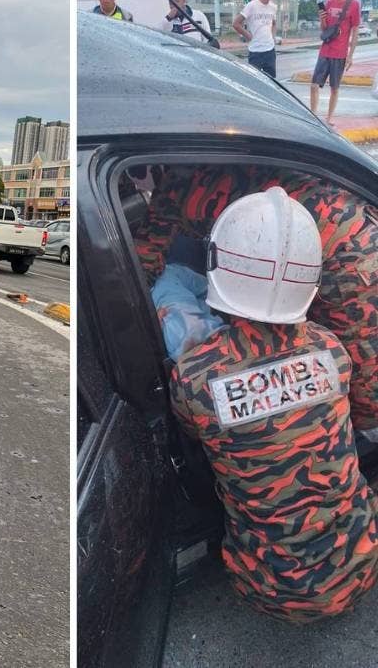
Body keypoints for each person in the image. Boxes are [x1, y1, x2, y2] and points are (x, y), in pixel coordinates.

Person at [156, 188, 378, 623]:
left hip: (267, 590)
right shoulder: (332, 349)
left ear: (219, 267)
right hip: (363, 567)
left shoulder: (195, 375)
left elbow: (190, 435)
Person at [133, 164, 378, 438]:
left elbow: (144, 259)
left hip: (345, 247)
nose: (137, 184)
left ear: (157, 168)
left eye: (137, 175)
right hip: (320, 232)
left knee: (363, 362)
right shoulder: (330, 349)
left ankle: (366, 433)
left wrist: (135, 307)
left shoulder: (194, 381)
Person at [311, 0, 361, 124]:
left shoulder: (354, 4)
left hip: (340, 54)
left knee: (334, 88)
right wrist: (322, 19)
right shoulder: (328, 2)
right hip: (325, 51)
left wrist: (350, 55)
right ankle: (313, 117)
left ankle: (329, 118)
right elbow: (325, 29)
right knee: (314, 86)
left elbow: (355, 32)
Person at [233, 0, 278, 78]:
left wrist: (273, 38)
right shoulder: (252, 5)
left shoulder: (273, 7)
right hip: (255, 52)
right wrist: (248, 35)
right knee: (255, 82)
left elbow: (274, 24)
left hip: (270, 51)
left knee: (272, 83)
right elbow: (236, 24)